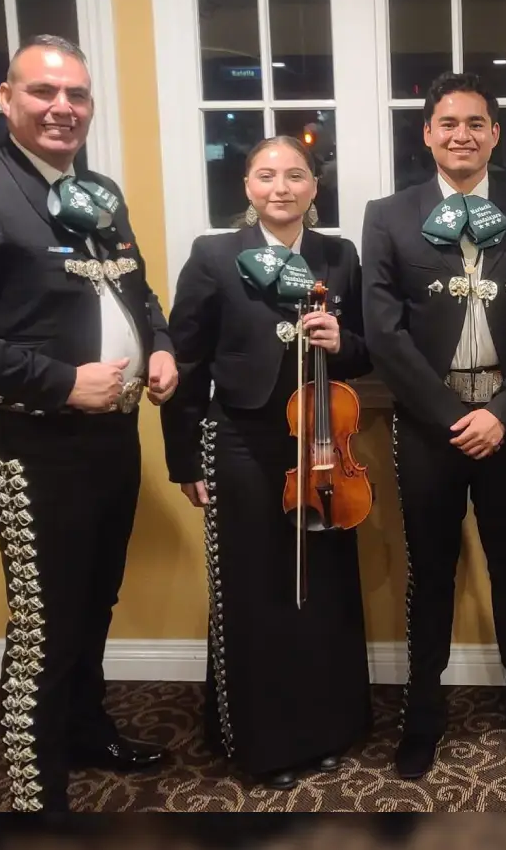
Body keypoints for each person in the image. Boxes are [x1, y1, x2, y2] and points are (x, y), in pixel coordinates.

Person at [0, 34, 178, 812]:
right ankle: (38, 791)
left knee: (95, 597)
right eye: (43, 92)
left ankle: (86, 727)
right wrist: (63, 380)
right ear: (6, 99)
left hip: (111, 436)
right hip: (34, 441)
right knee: (46, 620)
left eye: (76, 95)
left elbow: (135, 295)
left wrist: (161, 346)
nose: (62, 108)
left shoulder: (96, 191)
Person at [160, 135, 373, 789]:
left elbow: (368, 350)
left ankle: (328, 728)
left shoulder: (338, 256)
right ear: (248, 188)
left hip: (324, 448)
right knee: (258, 593)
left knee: (325, 589)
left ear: (315, 187)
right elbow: (187, 359)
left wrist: (346, 341)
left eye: (296, 176)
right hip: (245, 445)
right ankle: (264, 742)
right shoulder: (214, 255)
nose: (281, 188)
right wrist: (182, 457)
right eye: (266, 176)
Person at [361, 71, 506, 779]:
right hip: (427, 426)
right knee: (431, 571)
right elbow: (384, 334)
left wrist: (502, 412)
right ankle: (423, 712)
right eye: (448, 123)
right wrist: (453, 417)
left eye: (476, 123)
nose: (462, 135)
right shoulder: (387, 215)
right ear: (427, 133)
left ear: (496, 133)